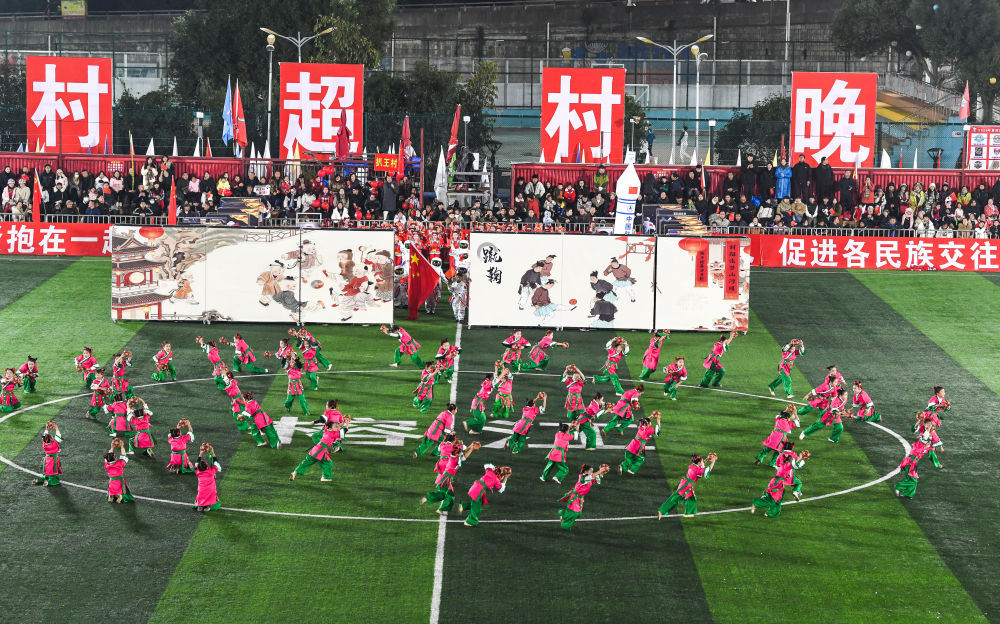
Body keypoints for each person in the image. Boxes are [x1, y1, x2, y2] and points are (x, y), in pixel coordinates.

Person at [422, 437, 480, 515]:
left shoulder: (454, 457)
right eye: (459, 452)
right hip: (445, 479)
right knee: (446, 495)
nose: (460, 453)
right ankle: (428, 498)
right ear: (456, 454)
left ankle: (438, 507)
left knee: (448, 495)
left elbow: (463, 454)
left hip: (445, 477)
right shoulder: (454, 460)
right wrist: (471, 448)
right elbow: (464, 456)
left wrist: (471, 447)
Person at [658, 453, 717, 518]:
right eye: (702, 461)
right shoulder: (698, 470)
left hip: (685, 483)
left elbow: (701, 465)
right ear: (699, 462)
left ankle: (688, 513)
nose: (703, 461)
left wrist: (707, 459)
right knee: (676, 498)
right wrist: (713, 462)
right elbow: (706, 471)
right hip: (686, 485)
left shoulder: (693, 465)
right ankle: (662, 511)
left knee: (690, 497)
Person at [291, 417, 350, 482]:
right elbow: (344, 431)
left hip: (315, 450)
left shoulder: (326, 431)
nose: (337, 427)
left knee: (306, 462)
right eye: (335, 426)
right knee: (328, 463)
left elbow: (336, 427)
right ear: (330, 428)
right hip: (321, 452)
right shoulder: (333, 434)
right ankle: (325, 478)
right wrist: (347, 423)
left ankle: (294, 473)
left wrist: (343, 423)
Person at [558, 463, 611, 530]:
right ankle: (565, 526)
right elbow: (592, 476)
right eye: (591, 471)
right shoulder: (583, 478)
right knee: (574, 513)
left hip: (580, 497)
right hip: (575, 497)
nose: (592, 472)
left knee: (578, 514)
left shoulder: (589, 477)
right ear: (586, 471)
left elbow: (595, 478)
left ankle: (562, 514)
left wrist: (602, 473)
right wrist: (600, 470)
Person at [894, 428, 935, 499]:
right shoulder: (919, 445)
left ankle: (907, 494)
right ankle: (898, 486)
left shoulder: (925, 447)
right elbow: (924, 438)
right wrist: (928, 431)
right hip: (910, 463)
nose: (928, 443)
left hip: (913, 463)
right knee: (914, 480)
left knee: (910, 479)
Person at [194, 443, 223, 511]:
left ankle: (200, 506)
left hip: (201, 491)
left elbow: (196, 463)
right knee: (210, 492)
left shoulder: (198, 472)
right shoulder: (211, 471)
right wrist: (212, 451)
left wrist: (201, 453)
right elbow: (216, 462)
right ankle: (207, 506)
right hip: (210, 491)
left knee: (201, 493)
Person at [33, 421, 62, 486]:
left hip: (46, 460)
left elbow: (44, 437)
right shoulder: (55, 444)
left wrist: (46, 428)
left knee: (46, 474)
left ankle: (39, 480)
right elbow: (58, 435)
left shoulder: (44, 444)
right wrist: (56, 427)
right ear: (51, 439)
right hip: (53, 461)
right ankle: (49, 482)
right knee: (53, 475)